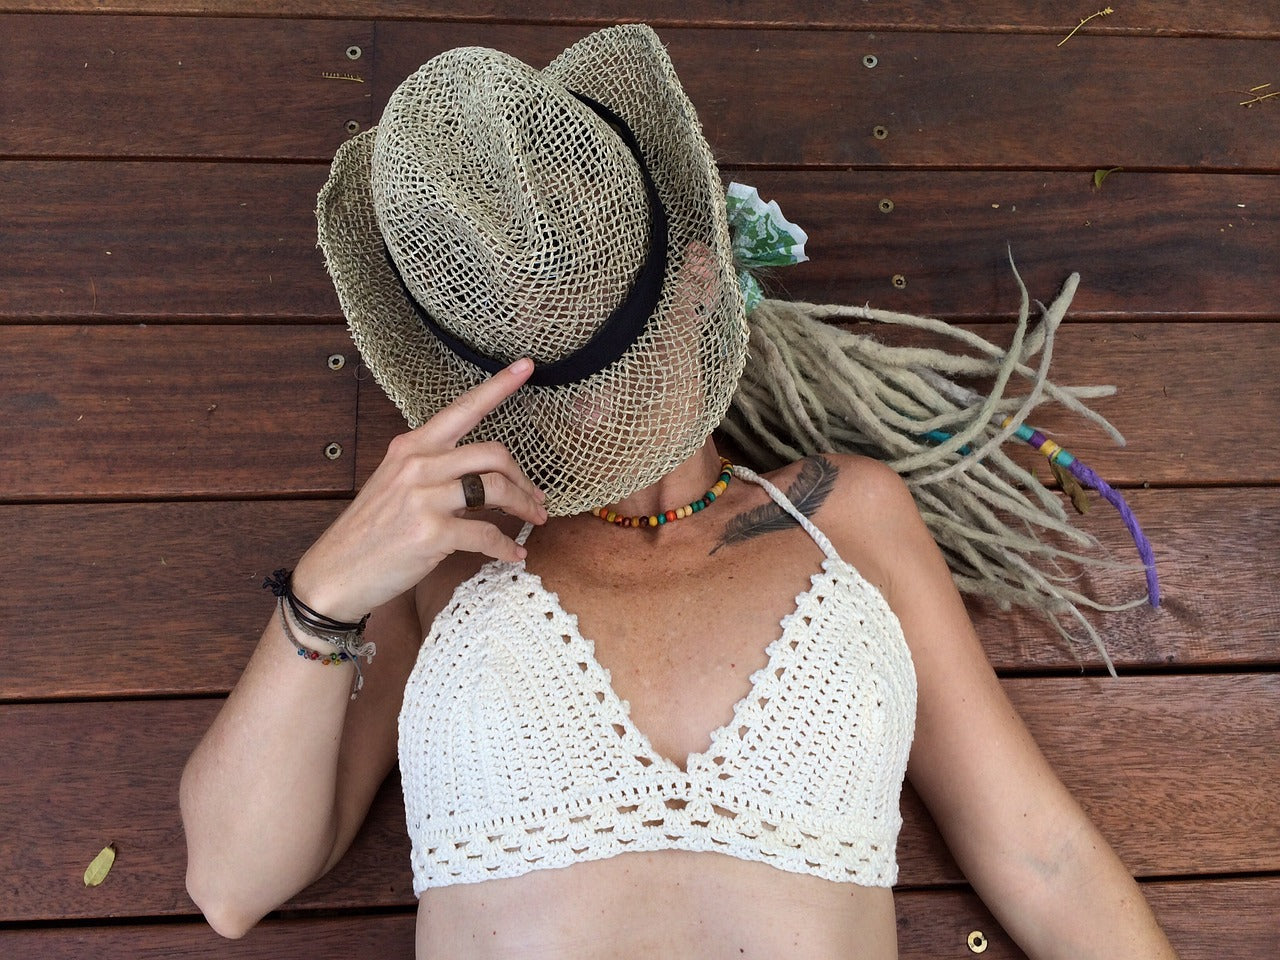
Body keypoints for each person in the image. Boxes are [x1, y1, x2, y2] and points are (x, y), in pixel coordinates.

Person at [180, 24, 1179, 959]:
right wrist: (325, 592)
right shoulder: (437, 550)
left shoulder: (847, 514)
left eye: (608, 326)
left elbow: (1038, 855)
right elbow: (231, 882)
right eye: (542, 362)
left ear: (700, 273)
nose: (596, 397)